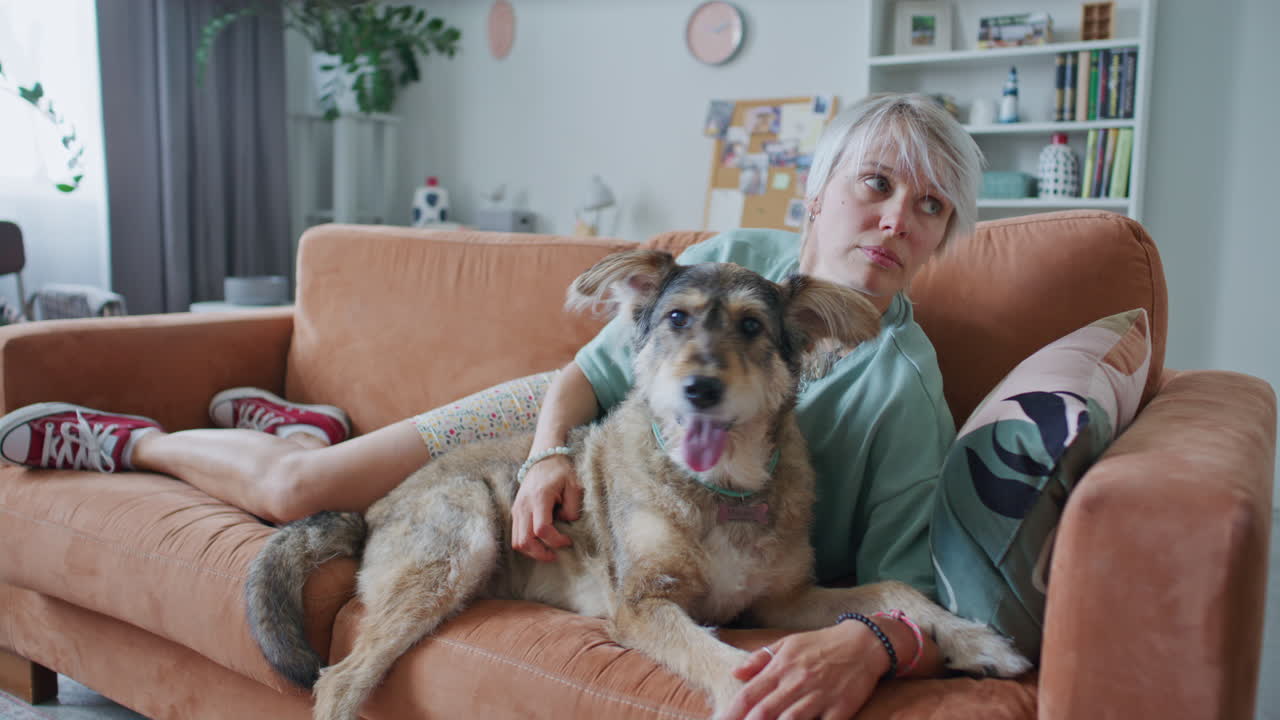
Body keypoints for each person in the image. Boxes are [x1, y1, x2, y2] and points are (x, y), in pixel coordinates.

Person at [0, 93, 986, 719]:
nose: (895, 218)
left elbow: (898, 585)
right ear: (818, 191)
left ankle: (293, 426)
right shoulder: (735, 260)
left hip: (673, 476)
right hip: (551, 417)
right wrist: (549, 456)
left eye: (930, 206)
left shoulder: (902, 389)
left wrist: (877, 637)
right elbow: (584, 375)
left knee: (326, 483)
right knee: (301, 489)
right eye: (875, 182)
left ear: (942, 239)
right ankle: (142, 443)